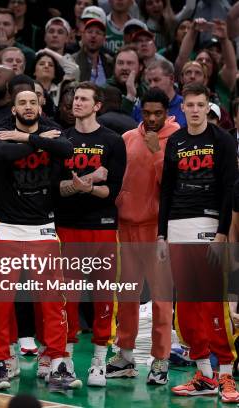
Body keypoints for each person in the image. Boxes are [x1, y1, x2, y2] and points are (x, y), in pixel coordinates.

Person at [0, 89, 78, 392]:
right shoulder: (0, 131)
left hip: (43, 228)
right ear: (14, 109)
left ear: (39, 106)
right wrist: (42, 142)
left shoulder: (54, 129)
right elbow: (4, 153)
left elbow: (67, 150)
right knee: (0, 303)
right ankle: (0, 362)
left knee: (53, 302)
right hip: (7, 229)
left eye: (33, 102)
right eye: (22, 103)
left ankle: (58, 363)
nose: (28, 106)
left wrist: (25, 138)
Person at [158, 83, 238, 402]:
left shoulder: (222, 140)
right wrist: (162, 234)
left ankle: (228, 376)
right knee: (187, 308)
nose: (193, 110)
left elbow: (229, 189)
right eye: (189, 105)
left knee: (211, 305)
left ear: (208, 107)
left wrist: (221, 232)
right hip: (177, 227)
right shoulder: (175, 141)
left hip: (208, 225)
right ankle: (204, 375)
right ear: (183, 108)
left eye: (199, 104)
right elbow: (166, 190)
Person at [56, 81, 126, 388]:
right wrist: (88, 181)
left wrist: (89, 189)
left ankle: (99, 361)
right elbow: (56, 189)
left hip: (102, 227)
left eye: (84, 99)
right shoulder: (61, 139)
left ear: (98, 105)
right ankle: (66, 359)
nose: (77, 102)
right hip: (67, 225)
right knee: (66, 297)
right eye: (75, 98)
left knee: (102, 297)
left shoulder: (112, 141)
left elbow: (112, 192)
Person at [107, 88, 179, 385]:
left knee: (161, 299)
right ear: (140, 110)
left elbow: (174, 186)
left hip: (157, 230)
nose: (151, 119)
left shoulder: (177, 140)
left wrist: (156, 152)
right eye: (147, 112)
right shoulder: (127, 138)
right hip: (126, 226)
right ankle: (124, 356)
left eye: (157, 114)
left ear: (167, 112)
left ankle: (161, 360)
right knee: (126, 295)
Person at [0, 10, 36, 75]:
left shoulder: (27, 53)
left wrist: (3, 49)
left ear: (15, 28)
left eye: (6, 24)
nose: (0, 27)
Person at [133, 59, 186, 127]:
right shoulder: (141, 107)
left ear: (171, 79)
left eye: (156, 80)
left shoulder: (185, 105)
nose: (152, 85)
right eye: (149, 81)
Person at [72, 18, 113, 86]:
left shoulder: (110, 63)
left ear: (104, 39)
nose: (93, 36)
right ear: (83, 36)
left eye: (98, 33)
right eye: (90, 32)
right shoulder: (72, 61)